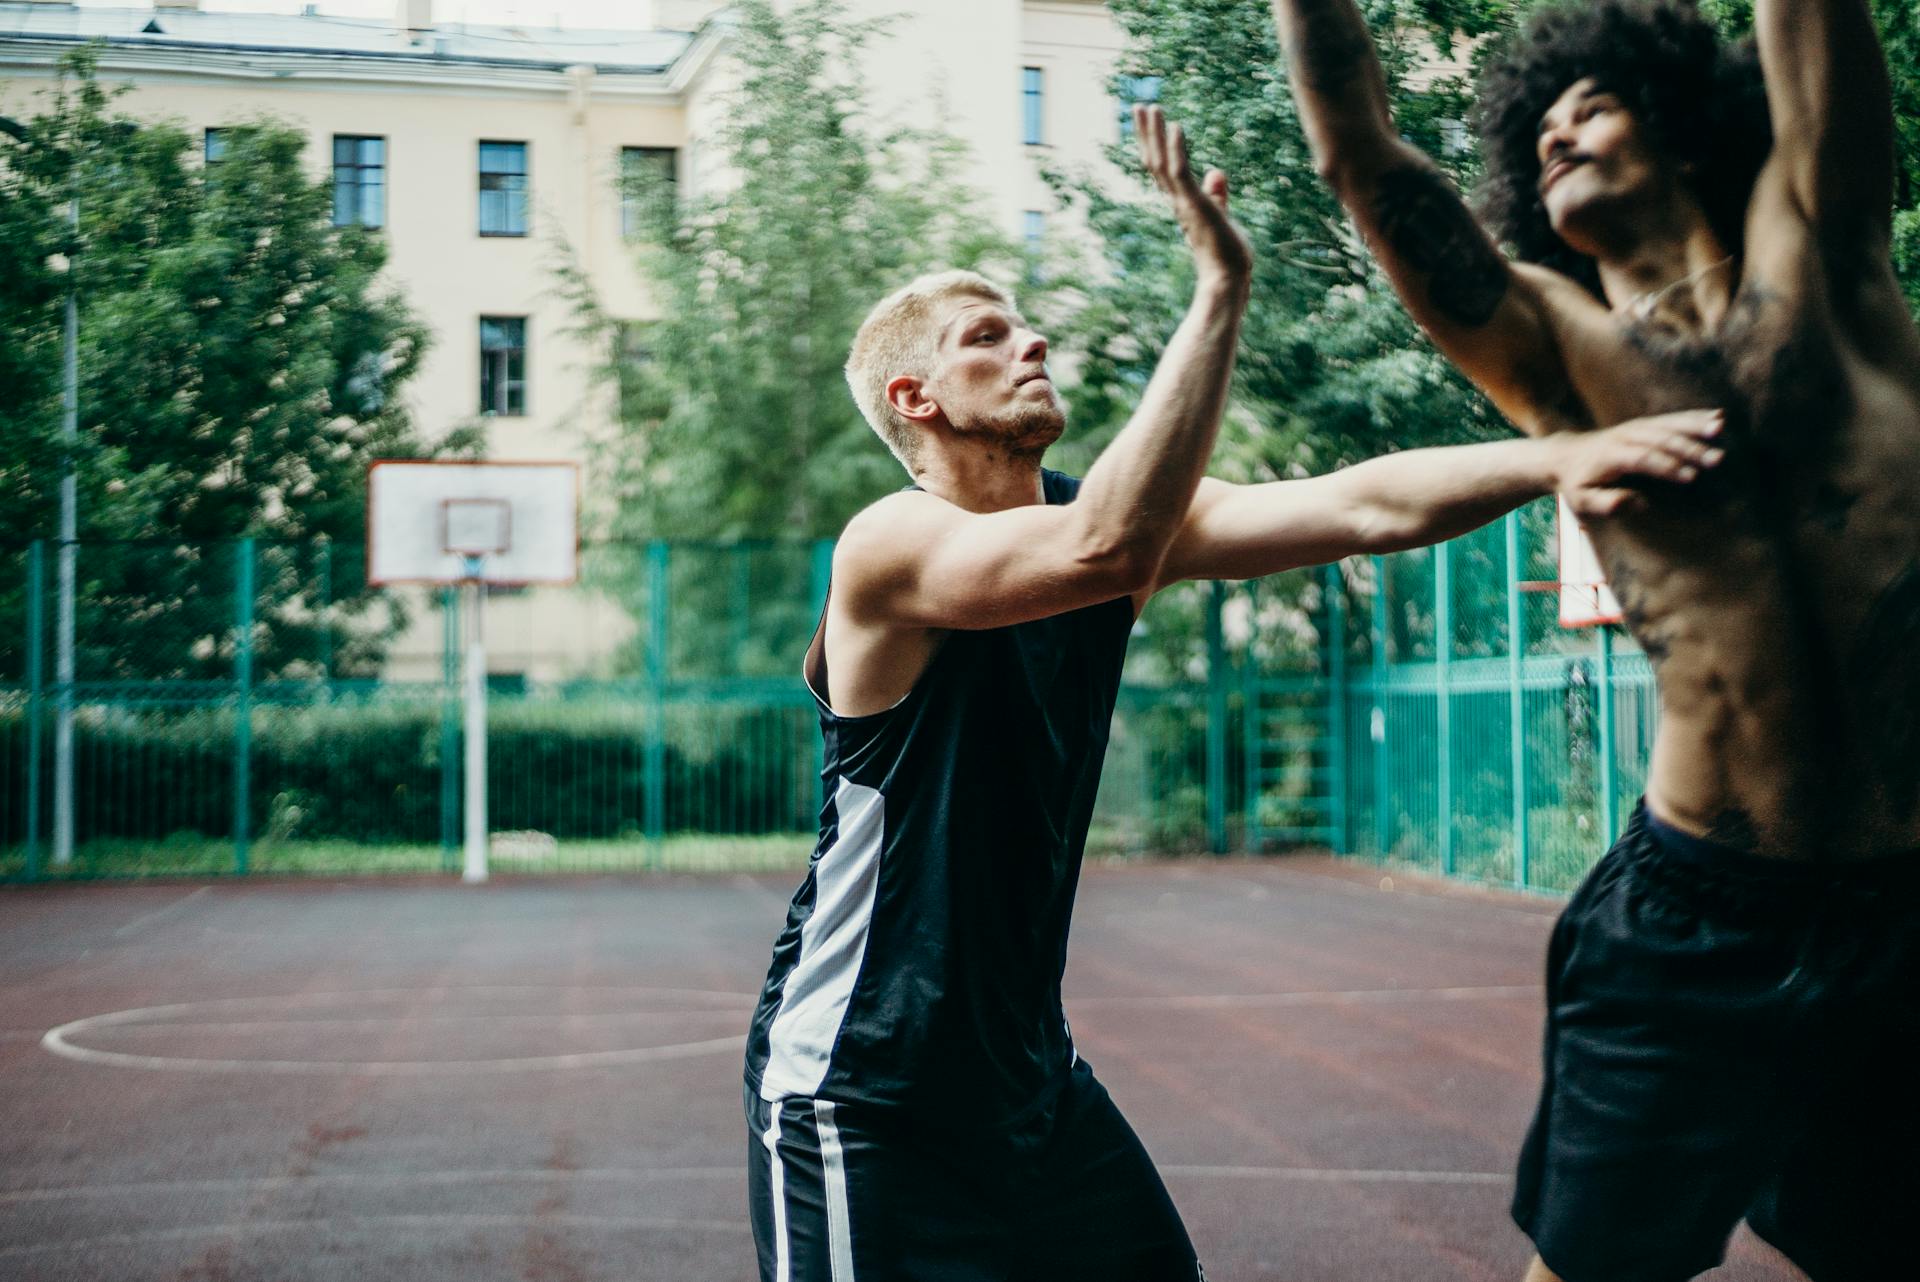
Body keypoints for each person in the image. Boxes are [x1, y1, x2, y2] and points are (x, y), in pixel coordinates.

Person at [742, 104, 1726, 1282]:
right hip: (865, 1090)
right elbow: (1105, 548)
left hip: (1028, 1083)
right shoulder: (891, 545)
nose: (1033, 343)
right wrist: (1217, 293)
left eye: (1027, 326)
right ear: (916, 399)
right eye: (987, 337)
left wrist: (1560, 457)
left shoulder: (1105, 523)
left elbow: (1363, 503)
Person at [1271, 0, 1920, 1277]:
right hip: (1695, 926)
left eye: (1594, 104)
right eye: (1544, 125)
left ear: (1680, 127)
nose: (1559, 128)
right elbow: (1359, 152)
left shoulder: (1832, 262)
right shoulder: (1559, 358)